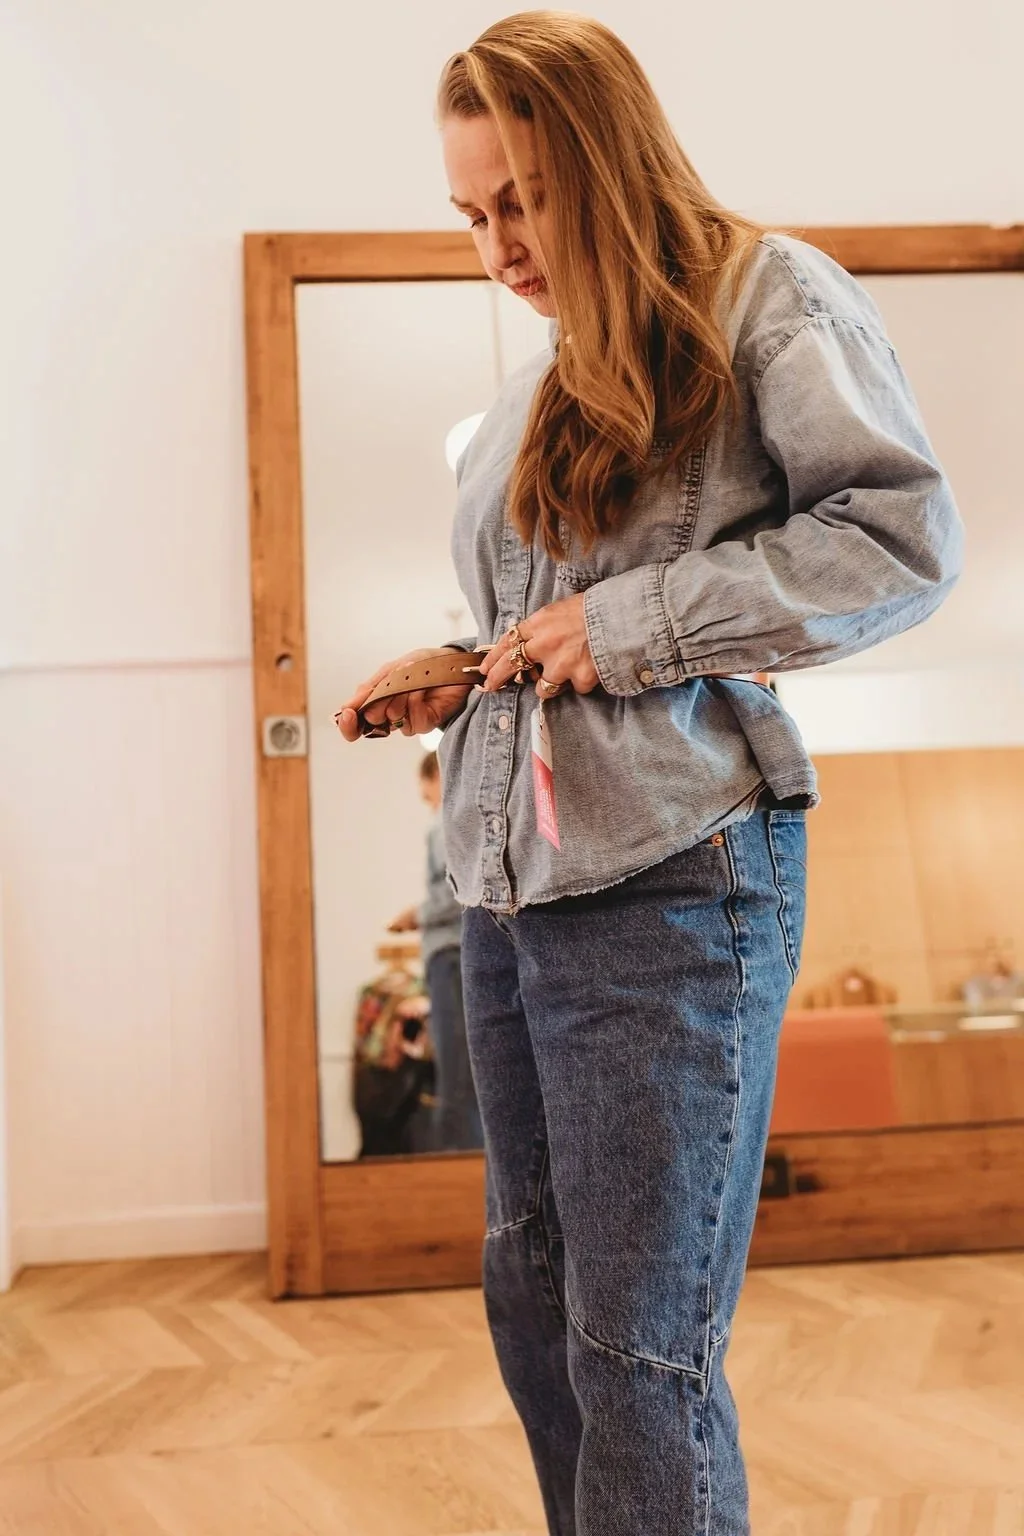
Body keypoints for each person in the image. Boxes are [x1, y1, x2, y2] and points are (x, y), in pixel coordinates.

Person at [336, 13, 963, 1534]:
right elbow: (560, 616)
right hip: (508, 886)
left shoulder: (769, 295)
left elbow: (896, 540)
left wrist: (622, 629)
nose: (497, 244)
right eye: (472, 213)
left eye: (525, 198)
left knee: (637, 1350)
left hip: (673, 883)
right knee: (539, 1315)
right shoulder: (552, 377)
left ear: (607, 162)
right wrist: (461, 661)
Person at [390, 751, 483, 1151]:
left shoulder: (443, 824)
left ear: (437, 777)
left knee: (458, 1077)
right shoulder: (464, 824)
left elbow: (455, 889)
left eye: (426, 792)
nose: (427, 801)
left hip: (449, 954)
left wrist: (417, 915)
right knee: (465, 1072)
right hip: (455, 953)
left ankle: (458, 1170)